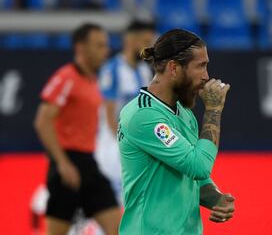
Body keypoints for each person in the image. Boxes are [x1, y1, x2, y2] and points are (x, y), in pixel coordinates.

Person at [117, 29, 235, 234]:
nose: (206, 76)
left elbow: (194, 177)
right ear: (174, 68)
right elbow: (198, 166)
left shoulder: (183, 113)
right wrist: (214, 110)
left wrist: (215, 197)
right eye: (201, 66)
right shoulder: (143, 115)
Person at [34, 23, 121, 235]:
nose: (106, 51)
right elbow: (42, 121)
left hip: (88, 163)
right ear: (81, 48)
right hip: (67, 165)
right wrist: (62, 162)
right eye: (99, 46)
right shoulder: (66, 77)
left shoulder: (92, 81)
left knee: (118, 227)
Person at [95, 20, 156, 205]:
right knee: (111, 206)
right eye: (146, 42)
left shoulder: (145, 71)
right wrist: (125, 146)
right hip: (113, 148)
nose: (149, 48)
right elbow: (110, 116)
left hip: (135, 145)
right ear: (131, 40)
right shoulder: (112, 70)